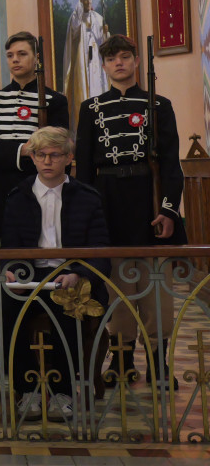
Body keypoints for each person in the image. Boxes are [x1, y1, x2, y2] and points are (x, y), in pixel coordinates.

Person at [75, 34, 184, 388]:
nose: (119, 63)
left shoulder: (159, 105)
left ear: (137, 61)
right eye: (111, 59)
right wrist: (90, 216)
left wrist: (168, 210)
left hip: (148, 202)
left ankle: (158, 363)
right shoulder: (90, 109)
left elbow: (170, 165)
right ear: (104, 66)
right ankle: (121, 361)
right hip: (108, 203)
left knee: (157, 290)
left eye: (125, 57)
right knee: (117, 289)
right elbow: (84, 170)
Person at [2, 127, 110, 421]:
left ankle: (62, 391)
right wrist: (12, 273)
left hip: (68, 277)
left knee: (70, 314)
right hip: (30, 276)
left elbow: (100, 249)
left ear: (69, 158)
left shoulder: (87, 197)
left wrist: (78, 273)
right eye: (40, 155)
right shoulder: (17, 196)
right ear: (33, 159)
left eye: (55, 155)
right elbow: (7, 249)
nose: (47, 160)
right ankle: (28, 391)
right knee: (6, 310)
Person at [0, 32, 69, 235]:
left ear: (36, 58)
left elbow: (59, 144)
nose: (15, 59)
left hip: (37, 182)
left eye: (22, 54)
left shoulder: (55, 100)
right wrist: (21, 150)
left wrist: (9, 152)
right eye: (10, 55)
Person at [62, 0, 110, 131]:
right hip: (83, 64)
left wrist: (105, 33)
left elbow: (105, 43)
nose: (89, 2)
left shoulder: (98, 17)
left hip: (96, 61)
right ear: (81, 1)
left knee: (99, 88)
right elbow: (75, 27)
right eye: (85, 0)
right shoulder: (76, 18)